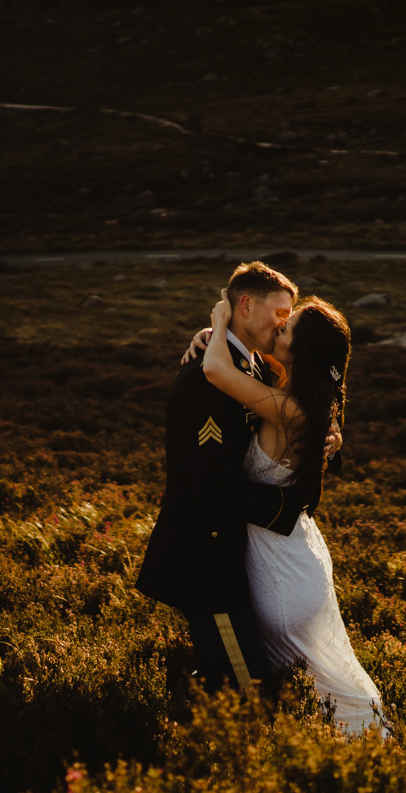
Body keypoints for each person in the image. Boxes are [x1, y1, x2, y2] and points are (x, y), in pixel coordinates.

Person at [190, 292, 391, 735]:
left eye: (287, 327)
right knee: (327, 699)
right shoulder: (304, 402)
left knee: (301, 704)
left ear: (300, 350)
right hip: (295, 556)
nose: (278, 326)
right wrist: (210, 336)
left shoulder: (287, 408)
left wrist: (220, 318)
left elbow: (215, 370)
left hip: (278, 573)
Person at [135, 263, 323, 694]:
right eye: (280, 311)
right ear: (244, 305)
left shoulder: (249, 365)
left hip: (233, 561)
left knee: (230, 683)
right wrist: (286, 508)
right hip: (207, 564)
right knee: (246, 688)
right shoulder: (208, 377)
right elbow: (210, 488)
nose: (282, 322)